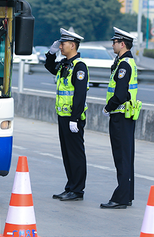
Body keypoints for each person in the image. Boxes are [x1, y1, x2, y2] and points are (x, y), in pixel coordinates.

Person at [44, 28, 88, 202]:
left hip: (73, 118)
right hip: (63, 116)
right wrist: (51, 52)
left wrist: (75, 118)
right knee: (67, 153)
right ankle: (70, 186)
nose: (61, 46)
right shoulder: (64, 64)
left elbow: (79, 95)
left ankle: (77, 190)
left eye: (63, 44)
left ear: (72, 45)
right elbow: (50, 67)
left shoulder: (79, 66)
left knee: (76, 154)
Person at [101, 27, 138, 209]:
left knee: (121, 157)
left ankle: (121, 198)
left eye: (114, 42)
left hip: (121, 115)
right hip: (126, 115)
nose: (112, 44)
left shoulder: (124, 65)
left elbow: (121, 94)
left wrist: (108, 107)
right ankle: (127, 194)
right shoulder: (126, 62)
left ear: (122, 44)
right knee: (126, 156)